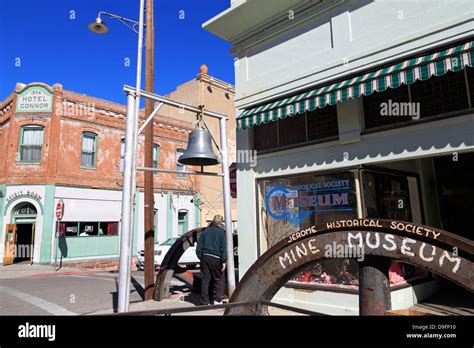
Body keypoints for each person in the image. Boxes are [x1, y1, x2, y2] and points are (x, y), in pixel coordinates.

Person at [196, 215, 227, 305]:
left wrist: (200, 257)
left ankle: (204, 302)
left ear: (213, 222)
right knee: (218, 279)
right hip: (216, 258)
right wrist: (224, 261)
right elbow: (224, 248)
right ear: (221, 223)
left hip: (205, 257)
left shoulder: (205, 232)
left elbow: (199, 246)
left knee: (205, 280)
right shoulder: (222, 233)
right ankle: (217, 300)